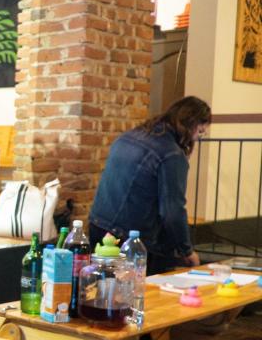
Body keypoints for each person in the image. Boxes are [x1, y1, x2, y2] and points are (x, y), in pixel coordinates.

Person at [89, 96, 211, 275]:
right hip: (129, 238)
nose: (198, 138)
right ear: (190, 125)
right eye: (200, 132)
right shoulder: (171, 154)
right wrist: (186, 250)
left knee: (100, 287)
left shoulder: (130, 136)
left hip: (97, 223)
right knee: (138, 289)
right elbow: (172, 211)